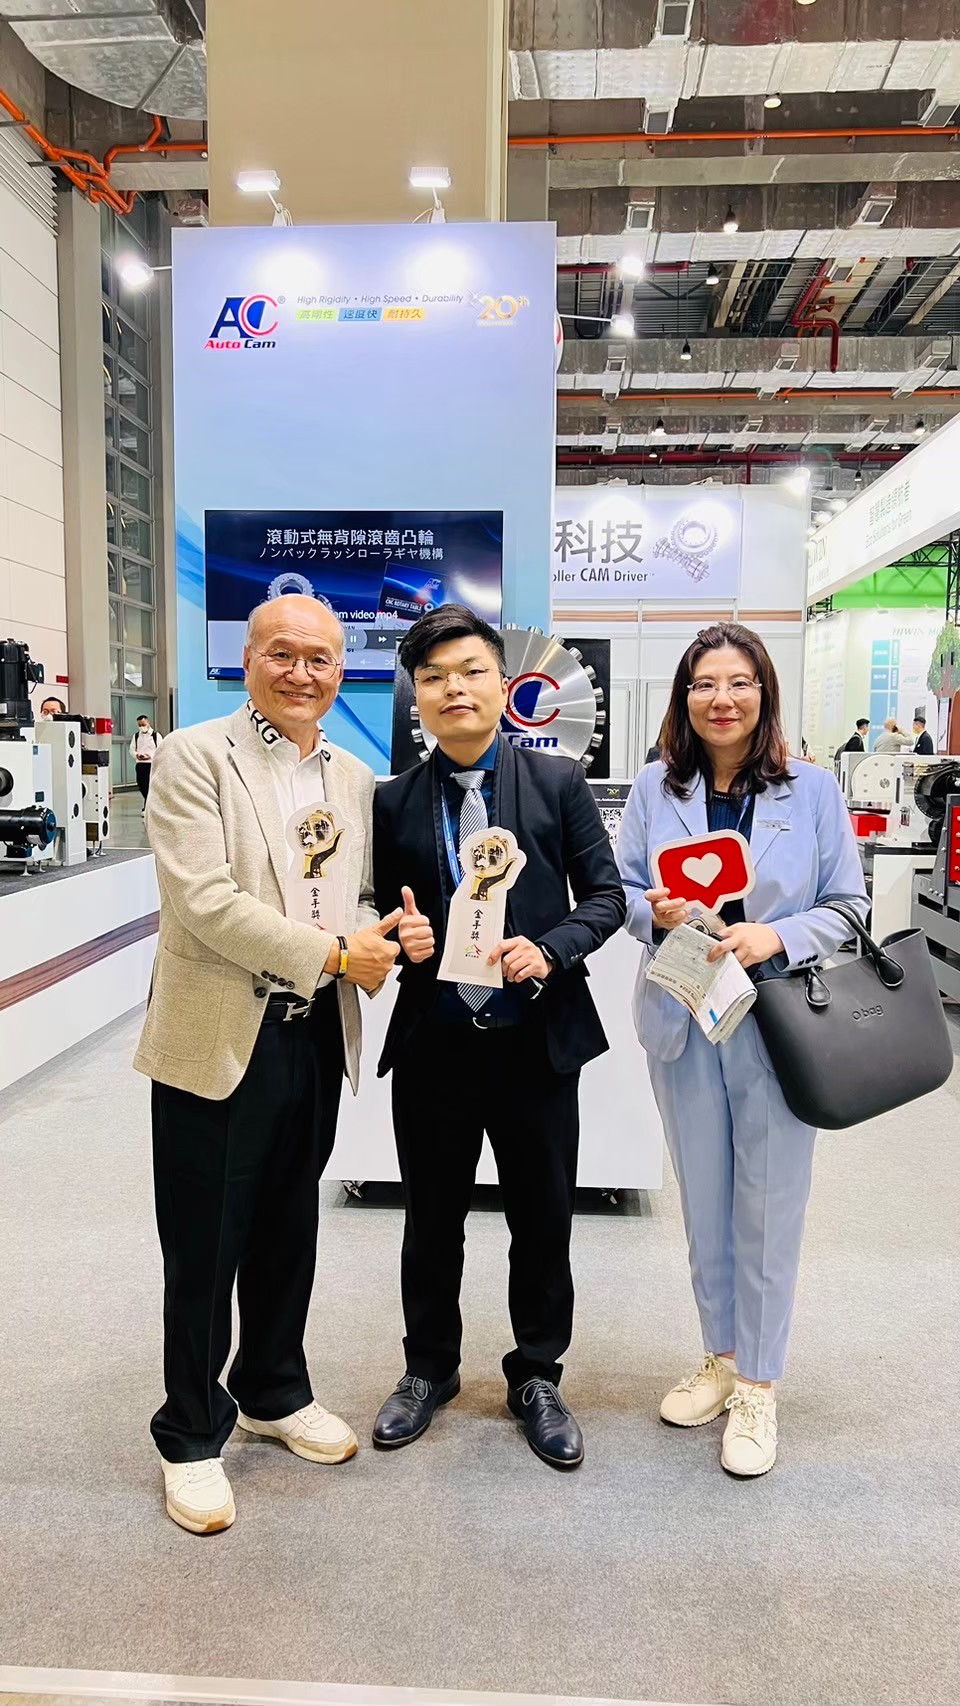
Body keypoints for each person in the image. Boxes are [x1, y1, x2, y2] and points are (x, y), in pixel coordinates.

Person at [135, 593, 402, 1535]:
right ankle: (189, 1432)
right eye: (282, 654)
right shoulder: (194, 757)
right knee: (205, 1242)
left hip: (312, 1033)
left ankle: (273, 1389)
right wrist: (335, 954)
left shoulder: (353, 776)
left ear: (342, 671)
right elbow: (203, 900)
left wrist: (375, 935)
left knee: (289, 1224)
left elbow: (356, 892)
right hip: (219, 1036)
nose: (301, 673)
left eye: (320, 659)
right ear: (247, 661)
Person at [371, 605, 625, 1471]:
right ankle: (428, 1369)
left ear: (502, 683)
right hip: (436, 1042)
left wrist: (549, 948)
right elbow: (378, 908)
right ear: (418, 695)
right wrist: (396, 934)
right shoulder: (392, 800)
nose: (454, 688)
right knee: (430, 1220)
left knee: (542, 1218)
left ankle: (538, 1375)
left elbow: (606, 897)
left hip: (534, 1042)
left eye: (471, 670)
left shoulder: (556, 783)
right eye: (434, 676)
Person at [617, 622, 866, 1479]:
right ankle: (720, 1357)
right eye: (703, 684)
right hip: (683, 1012)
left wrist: (777, 935)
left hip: (773, 1019)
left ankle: (759, 1383)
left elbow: (849, 905)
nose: (721, 699)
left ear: (765, 693)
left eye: (739, 683)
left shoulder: (813, 790)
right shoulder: (656, 786)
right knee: (706, 1199)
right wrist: (652, 914)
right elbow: (618, 887)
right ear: (683, 697)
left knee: (768, 1203)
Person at [130, 714, 162, 810]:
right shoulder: (136, 736)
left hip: (151, 764)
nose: (141, 727)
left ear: (148, 723)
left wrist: (150, 756)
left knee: (148, 785)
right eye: (139, 725)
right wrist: (137, 755)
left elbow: (160, 750)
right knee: (141, 785)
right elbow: (131, 749)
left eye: (143, 724)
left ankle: (147, 807)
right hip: (140, 764)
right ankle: (149, 803)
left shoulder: (156, 736)